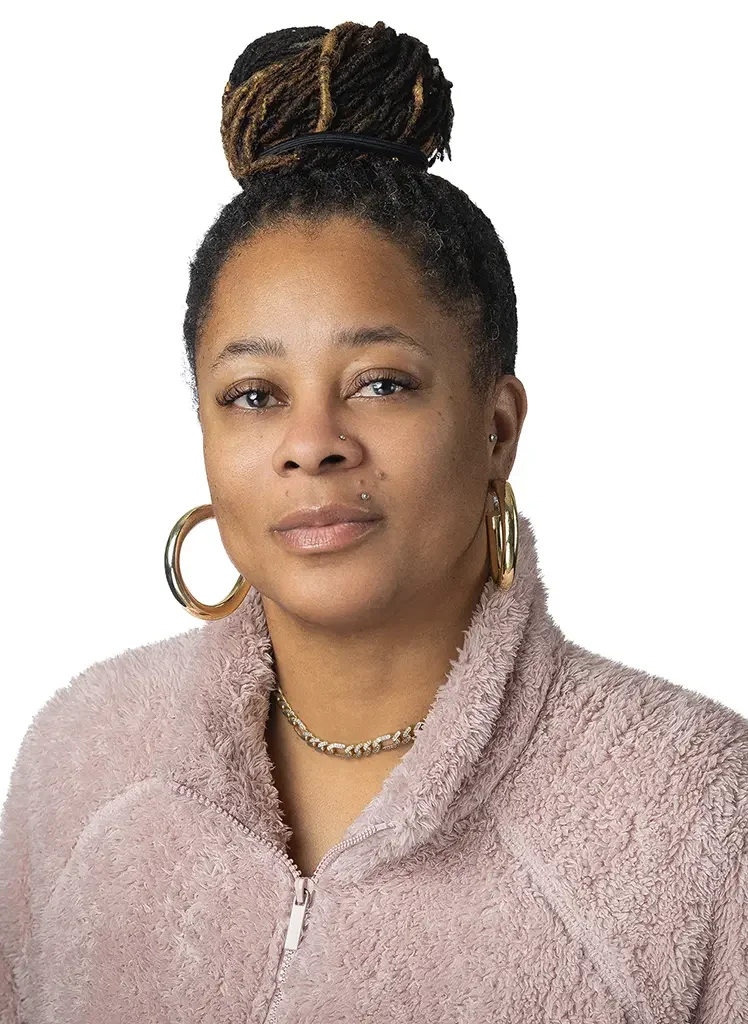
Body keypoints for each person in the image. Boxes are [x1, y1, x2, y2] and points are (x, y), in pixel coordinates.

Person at [1, 19, 745, 1024]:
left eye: (380, 382)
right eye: (255, 394)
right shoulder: (82, 758)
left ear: (495, 426)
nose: (312, 442)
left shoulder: (697, 811)